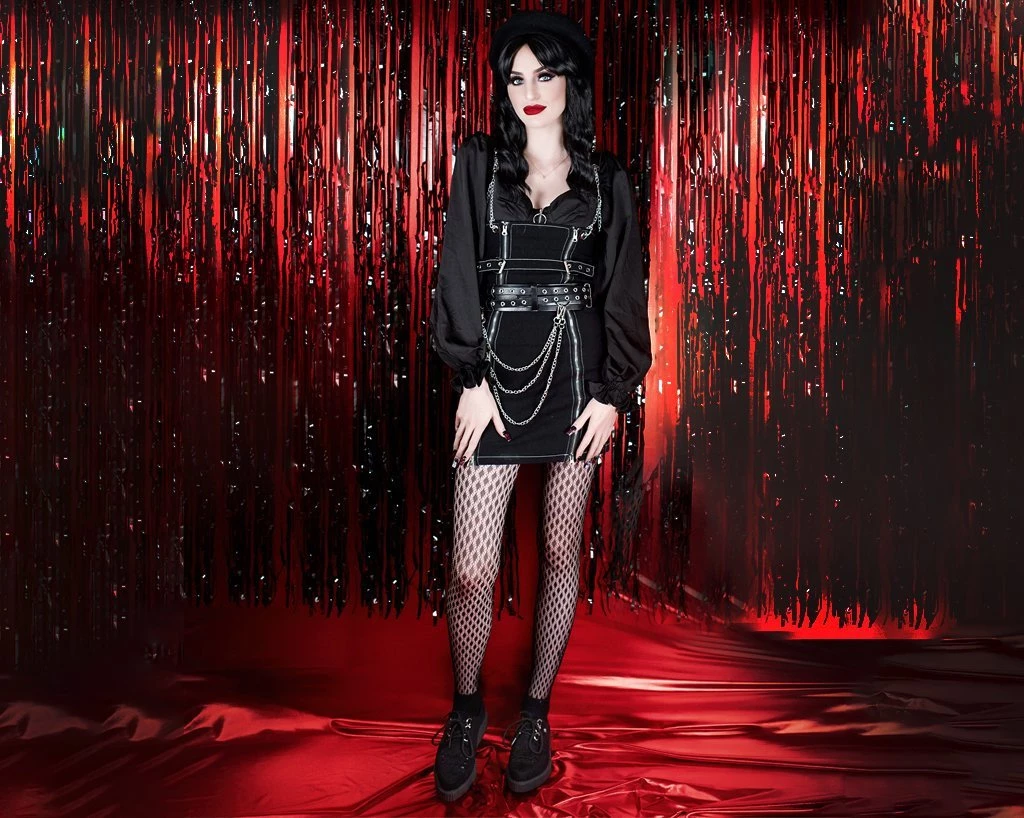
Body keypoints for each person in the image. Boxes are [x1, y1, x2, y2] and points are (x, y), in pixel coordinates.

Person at [427, 9, 653, 801]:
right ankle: (465, 711)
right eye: (516, 76)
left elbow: (622, 291)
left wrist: (615, 395)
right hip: (493, 381)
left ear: (570, 82)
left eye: (544, 74)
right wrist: (470, 378)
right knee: (470, 571)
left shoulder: (609, 179)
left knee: (561, 555)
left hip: (578, 385)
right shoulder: (479, 162)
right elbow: (458, 269)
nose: (529, 90)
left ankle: (535, 715)